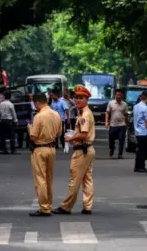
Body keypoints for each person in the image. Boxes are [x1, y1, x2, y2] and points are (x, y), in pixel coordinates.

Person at [53, 84, 96, 215]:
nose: (77, 100)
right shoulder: (84, 113)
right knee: (87, 179)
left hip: (82, 150)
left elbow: (83, 134)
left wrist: (70, 139)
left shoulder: (85, 115)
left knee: (75, 179)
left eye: (81, 98)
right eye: (76, 97)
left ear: (86, 99)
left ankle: (66, 206)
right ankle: (87, 206)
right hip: (88, 149)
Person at [28, 93, 62, 217]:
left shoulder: (39, 116)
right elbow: (59, 133)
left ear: (37, 102)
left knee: (41, 179)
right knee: (48, 179)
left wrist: (29, 128)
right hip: (52, 149)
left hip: (40, 149)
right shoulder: (56, 114)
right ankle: (48, 204)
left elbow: (33, 136)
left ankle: (44, 207)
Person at [133, 91, 147, 173]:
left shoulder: (136, 106)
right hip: (144, 132)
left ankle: (137, 166)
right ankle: (141, 166)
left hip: (137, 131)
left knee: (139, 150)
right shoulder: (145, 108)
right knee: (144, 150)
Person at [105, 89, 129, 159]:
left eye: (120, 95)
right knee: (111, 138)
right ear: (115, 95)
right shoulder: (111, 103)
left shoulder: (125, 104)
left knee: (122, 140)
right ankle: (112, 148)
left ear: (122, 96)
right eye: (117, 95)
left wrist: (127, 123)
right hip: (113, 125)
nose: (118, 96)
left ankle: (120, 154)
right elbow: (107, 113)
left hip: (122, 125)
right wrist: (106, 122)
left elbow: (126, 115)